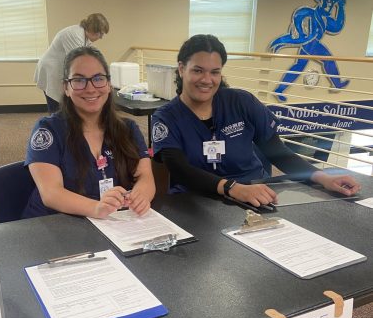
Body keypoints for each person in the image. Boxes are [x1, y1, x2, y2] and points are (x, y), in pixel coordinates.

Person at [151, 34, 360, 208]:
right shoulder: (166, 117)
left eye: (214, 72)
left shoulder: (242, 102)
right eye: (197, 70)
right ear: (181, 69)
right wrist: (232, 188)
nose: (207, 80)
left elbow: (277, 152)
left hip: (256, 194)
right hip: (197, 201)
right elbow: (179, 169)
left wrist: (322, 177)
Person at [23, 46, 155, 219]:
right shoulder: (48, 130)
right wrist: (96, 208)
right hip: (56, 224)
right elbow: (51, 193)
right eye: (79, 80)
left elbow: (145, 177)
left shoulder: (128, 129)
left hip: (109, 224)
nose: (91, 88)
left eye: (98, 78)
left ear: (109, 84)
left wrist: (140, 196)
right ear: (66, 88)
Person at [269, 0, 349, 102]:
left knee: (299, 66)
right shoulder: (309, 13)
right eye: (328, 1)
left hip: (311, 44)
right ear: (320, 0)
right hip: (310, 43)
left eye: (332, 2)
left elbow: (338, 26)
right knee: (328, 60)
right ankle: (337, 83)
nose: (330, 5)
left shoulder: (325, 19)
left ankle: (279, 89)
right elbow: (300, 29)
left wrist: (341, 7)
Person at [35, 13, 110, 113]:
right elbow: (79, 62)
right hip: (51, 70)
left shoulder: (84, 37)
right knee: (56, 105)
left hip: (58, 69)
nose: (101, 37)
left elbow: (93, 56)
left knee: (64, 103)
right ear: (93, 29)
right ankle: (54, 127)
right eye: (100, 33)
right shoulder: (74, 35)